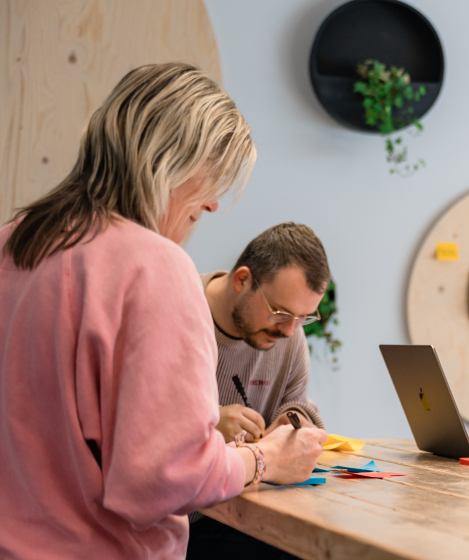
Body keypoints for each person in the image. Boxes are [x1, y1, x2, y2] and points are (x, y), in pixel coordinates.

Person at [0, 63, 326, 559]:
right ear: (169, 160)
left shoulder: (13, 240)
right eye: (212, 176)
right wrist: (265, 461)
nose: (214, 203)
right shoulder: (155, 268)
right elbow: (161, 479)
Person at [187, 223, 331, 559]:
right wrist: (207, 425)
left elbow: (296, 403)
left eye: (304, 318)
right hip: (175, 520)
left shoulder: (290, 337)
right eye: (280, 312)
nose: (289, 330)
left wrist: (291, 421)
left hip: (239, 514)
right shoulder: (179, 313)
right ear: (242, 280)